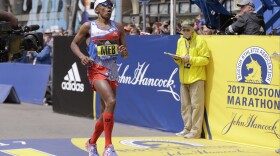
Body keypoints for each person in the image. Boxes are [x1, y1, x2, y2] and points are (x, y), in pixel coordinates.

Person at [70, 0, 128, 155]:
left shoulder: (119, 27)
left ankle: (91, 142)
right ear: (97, 10)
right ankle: (108, 147)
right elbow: (73, 44)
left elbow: (124, 52)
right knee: (111, 101)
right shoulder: (88, 26)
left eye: (111, 7)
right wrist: (82, 56)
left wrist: (124, 52)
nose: (109, 9)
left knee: (106, 111)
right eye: (105, 6)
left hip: (113, 69)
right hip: (96, 69)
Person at [171, 21, 210, 139]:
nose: (185, 32)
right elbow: (179, 56)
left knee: (196, 106)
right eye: (183, 30)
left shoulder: (200, 41)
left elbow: (206, 60)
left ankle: (195, 131)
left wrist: (190, 59)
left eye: (188, 30)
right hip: (184, 78)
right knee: (185, 106)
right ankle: (187, 128)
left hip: (196, 78)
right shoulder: (180, 41)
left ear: (193, 29)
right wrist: (177, 59)